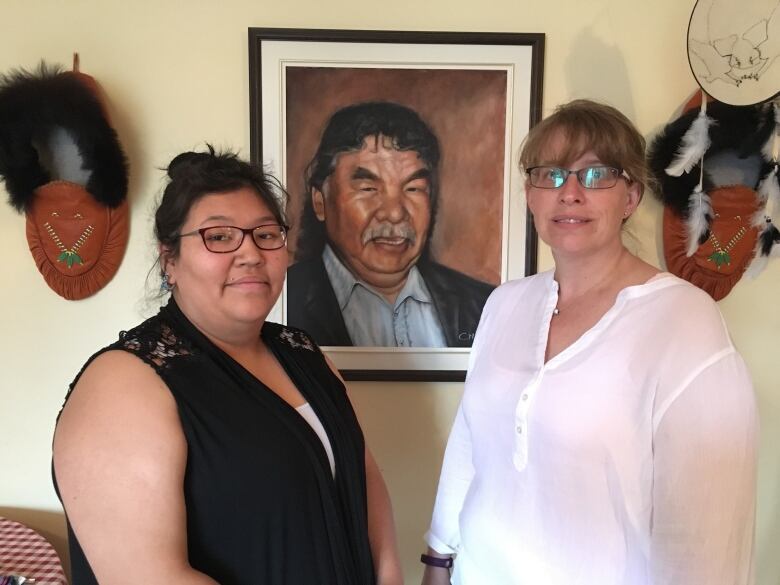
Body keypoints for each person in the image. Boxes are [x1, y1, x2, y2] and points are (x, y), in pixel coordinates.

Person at [421, 100, 758, 585]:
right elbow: (471, 440)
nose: (570, 194)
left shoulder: (683, 322)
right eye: (550, 175)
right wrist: (438, 557)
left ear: (631, 197)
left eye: (596, 175)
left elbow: (705, 535)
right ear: (530, 195)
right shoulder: (505, 304)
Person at [52, 148, 403, 585]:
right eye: (218, 236)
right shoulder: (125, 384)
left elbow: (364, 485)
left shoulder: (305, 355)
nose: (251, 254)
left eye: (266, 234)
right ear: (170, 260)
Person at [287, 101, 495, 348]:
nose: (395, 214)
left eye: (413, 188)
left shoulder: (484, 304)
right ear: (320, 202)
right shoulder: (281, 303)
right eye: (368, 189)